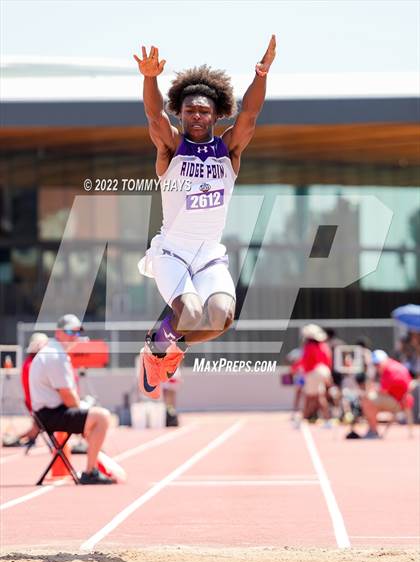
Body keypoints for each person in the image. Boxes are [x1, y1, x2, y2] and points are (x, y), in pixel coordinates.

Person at [133, 36, 277, 399]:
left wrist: (261, 74)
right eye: (190, 111)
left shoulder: (228, 150)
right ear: (180, 114)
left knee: (223, 318)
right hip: (173, 253)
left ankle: (162, 347)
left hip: (210, 254)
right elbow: (153, 115)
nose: (197, 116)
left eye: (204, 111)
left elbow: (251, 115)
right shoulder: (171, 147)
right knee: (193, 313)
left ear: (216, 114)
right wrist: (149, 79)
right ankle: (163, 344)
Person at [29, 314, 115, 484]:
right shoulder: (56, 355)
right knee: (102, 417)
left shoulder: (53, 352)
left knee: (92, 417)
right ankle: (91, 471)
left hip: (48, 413)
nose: (74, 336)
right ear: (58, 332)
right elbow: (69, 398)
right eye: (70, 331)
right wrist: (85, 409)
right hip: (51, 415)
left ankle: (96, 466)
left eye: (77, 332)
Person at [2, 333, 49, 448]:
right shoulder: (32, 364)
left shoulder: (33, 362)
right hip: (37, 403)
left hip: (37, 402)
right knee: (40, 426)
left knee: (37, 427)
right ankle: (15, 438)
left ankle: (21, 438)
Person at [359, 349, 414, 439]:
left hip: (400, 402)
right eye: (375, 364)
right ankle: (372, 429)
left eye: (378, 363)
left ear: (385, 360)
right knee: (369, 399)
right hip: (400, 399)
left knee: (367, 399)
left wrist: (371, 390)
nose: (377, 366)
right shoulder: (394, 365)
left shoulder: (390, 369)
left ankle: (373, 431)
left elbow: (383, 391)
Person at [291, 324, 332, 424]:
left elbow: (305, 362)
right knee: (320, 397)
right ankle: (327, 420)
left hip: (312, 373)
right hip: (324, 372)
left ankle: (302, 419)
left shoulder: (309, 347)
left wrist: (294, 368)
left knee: (309, 398)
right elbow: (328, 361)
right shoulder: (324, 346)